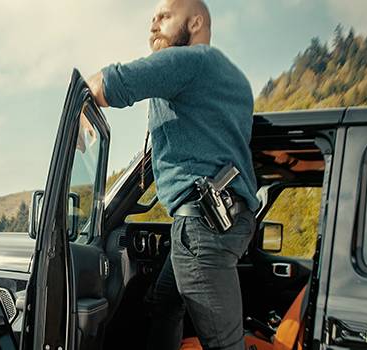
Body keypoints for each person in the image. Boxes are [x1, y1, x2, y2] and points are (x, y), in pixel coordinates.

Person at [84, 0, 259, 349]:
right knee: (163, 303)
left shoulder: (189, 61)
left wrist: (81, 103)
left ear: (195, 23)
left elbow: (110, 84)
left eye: (164, 17)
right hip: (229, 220)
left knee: (224, 343)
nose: (153, 26)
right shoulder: (233, 79)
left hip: (201, 226)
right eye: (152, 19)